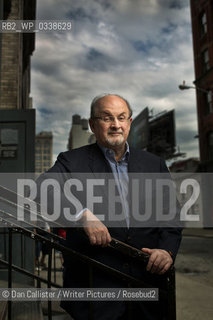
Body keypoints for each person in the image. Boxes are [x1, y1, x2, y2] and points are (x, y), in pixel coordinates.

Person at [43, 94, 182, 319]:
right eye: (107, 118)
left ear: (129, 123)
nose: (115, 124)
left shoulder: (153, 164)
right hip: (94, 292)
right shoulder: (71, 161)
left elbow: (171, 214)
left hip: (146, 287)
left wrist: (166, 250)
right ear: (92, 125)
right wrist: (82, 214)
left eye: (121, 117)